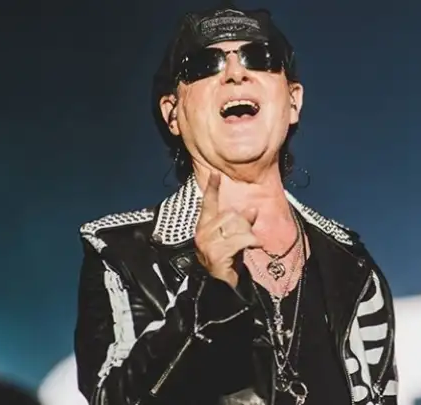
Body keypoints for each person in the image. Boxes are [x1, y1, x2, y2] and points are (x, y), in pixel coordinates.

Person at [73, 3, 398, 405]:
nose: (235, 73)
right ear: (172, 114)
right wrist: (208, 290)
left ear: (293, 102)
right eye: (204, 65)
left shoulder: (351, 266)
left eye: (260, 58)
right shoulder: (124, 254)